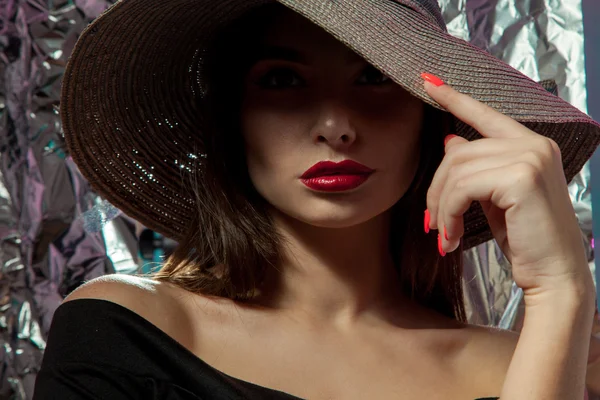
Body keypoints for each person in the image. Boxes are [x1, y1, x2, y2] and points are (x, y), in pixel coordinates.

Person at [33, 0, 600, 399]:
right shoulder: (127, 330)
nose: (336, 127)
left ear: (432, 122)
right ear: (235, 120)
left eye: (375, 77)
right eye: (282, 80)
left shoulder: (523, 367)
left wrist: (560, 292)